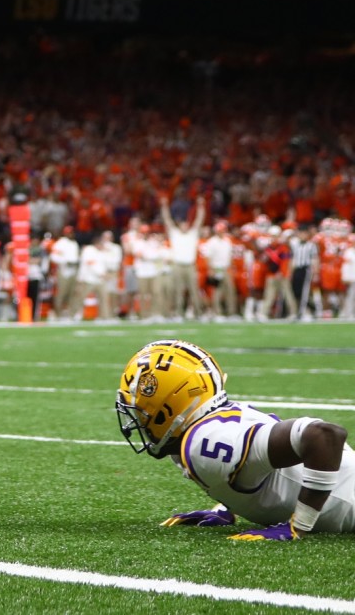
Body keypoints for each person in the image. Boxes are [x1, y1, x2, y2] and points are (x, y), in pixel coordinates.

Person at [116, 339, 355, 540]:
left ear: (167, 406)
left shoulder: (204, 440)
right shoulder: (189, 435)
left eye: (140, 410)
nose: (136, 419)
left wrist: (299, 526)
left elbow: (325, 436)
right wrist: (227, 507)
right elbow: (251, 471)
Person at [161, 195, 206, 319]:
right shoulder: (175, 234)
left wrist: (201, 207)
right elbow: (167, 220)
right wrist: (164, 206)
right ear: (179, 225)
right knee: (178, 290)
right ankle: (178, 313)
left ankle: (198, 313)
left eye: (186, 224)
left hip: (190, 265)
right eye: (182, 224)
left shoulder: (192, 234)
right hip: (177, 265)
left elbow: (199, 220)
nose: (184, 226)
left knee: (194, 290)